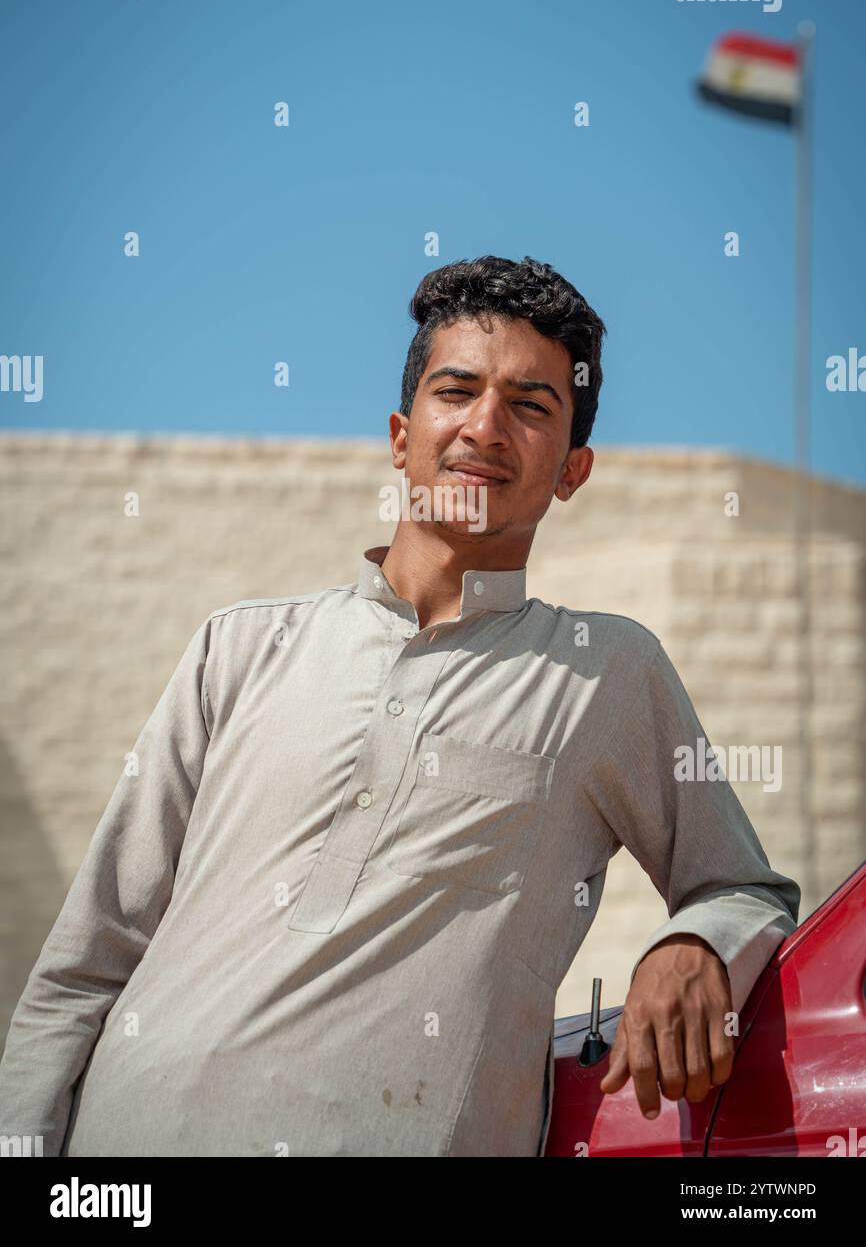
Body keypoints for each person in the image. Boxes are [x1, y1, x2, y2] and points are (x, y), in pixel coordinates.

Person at [0, 255, 800, 1157]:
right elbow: (83, 966)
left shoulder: (607, 673)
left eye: (532, 406)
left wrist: (690, 945)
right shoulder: (240, 648)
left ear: (574, 469)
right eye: (455, 390)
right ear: (400, 434)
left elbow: (741, 888)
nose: (486, 427)